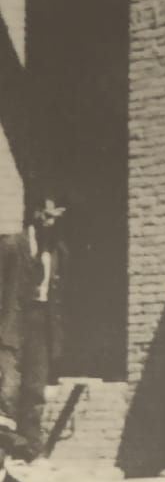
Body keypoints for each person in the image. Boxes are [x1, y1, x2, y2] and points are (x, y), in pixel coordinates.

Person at [0, 193, 67, 463]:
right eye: (47, 216)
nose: (50, 223)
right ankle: (4, 452)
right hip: (13, 322)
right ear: (36, 212)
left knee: (35, 388)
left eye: (56, 218)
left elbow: (57, 293)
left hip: (40, 323)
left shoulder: (58, 250)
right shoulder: (11, 245)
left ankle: (30, 450)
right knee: (8, 389)